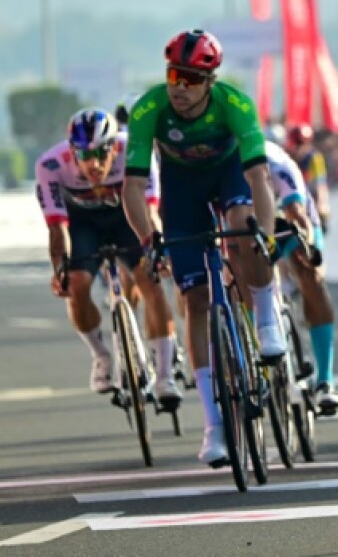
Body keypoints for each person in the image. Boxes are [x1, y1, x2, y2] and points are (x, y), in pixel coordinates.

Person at [122, 29, 283, 467]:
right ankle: (214, 425)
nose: (180, 87)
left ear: (210, 81)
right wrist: (148, 236)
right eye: (175, 75)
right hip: (182, 188)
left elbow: (258, 180)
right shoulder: (150, 109)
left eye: (192, 79)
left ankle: (267, 320)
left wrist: (264, 236)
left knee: (240, 226)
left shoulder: (235, 105)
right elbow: (133, 186)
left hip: (230, 173)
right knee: (194, 300)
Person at [35, 109, 180, 403]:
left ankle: (165, 376)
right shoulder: (50, 165)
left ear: (115, 146)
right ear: (72, 151)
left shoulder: (136, 150)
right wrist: (59, 269)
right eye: (85, 155)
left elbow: (149, 212)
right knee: (76, 285)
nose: (95, 163)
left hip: (126, 215)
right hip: (82, 224)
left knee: (149, 281)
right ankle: (101, 356)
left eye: (102, 153)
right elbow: (56, 229)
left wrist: (159, 253)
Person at [264, 139, 338, 416]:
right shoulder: (222, 172)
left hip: (290, 218)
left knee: (311, 277)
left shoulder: (277, 165)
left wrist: (309, 252)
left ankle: (325, 380)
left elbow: (299, 219)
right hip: (249, 223)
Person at [286, 125, 331, 233]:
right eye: (296, 143)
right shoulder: (286, 158)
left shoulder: (314, 158)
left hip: (311, 201)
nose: (299, 147)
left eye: (302, 143)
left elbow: (320, 183)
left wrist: (321, 206)